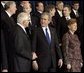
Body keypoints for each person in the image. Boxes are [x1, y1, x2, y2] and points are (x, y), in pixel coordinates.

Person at [1, 1, 17, 72]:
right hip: (5, 52)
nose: (16, 9)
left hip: (10, 52)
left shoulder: (11, 18)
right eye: (15, 7)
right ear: (10, 7)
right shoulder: (2, 17)